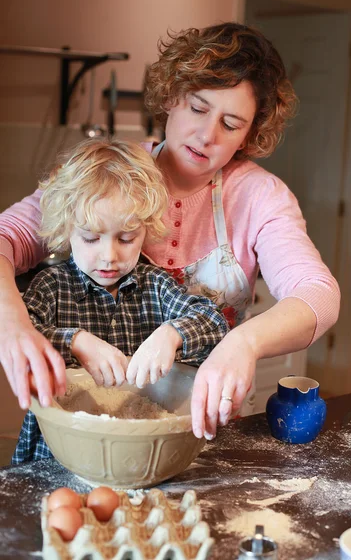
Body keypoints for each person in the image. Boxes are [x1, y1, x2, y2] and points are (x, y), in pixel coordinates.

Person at [0, 22, 340, 443]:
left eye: (231, 124)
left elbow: (318, 294)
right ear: (172, 97)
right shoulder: (111, 176)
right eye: (198, 108)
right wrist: (13, 326)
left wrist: (244, 344)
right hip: (94, 430)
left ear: (250, 135)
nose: (206, 135)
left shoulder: (258, 197)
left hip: (205, 427)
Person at [12, 138, 229, 463]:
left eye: (126, 238)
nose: (109, 256)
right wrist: (75, 342)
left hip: (139, 453)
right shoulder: (52, 286)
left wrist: (171, 335)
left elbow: (214, 322)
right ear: (66, 228)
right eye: (90, 238)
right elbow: (22, 337)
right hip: (59, 453)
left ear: (146, 230)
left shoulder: (155, 285)